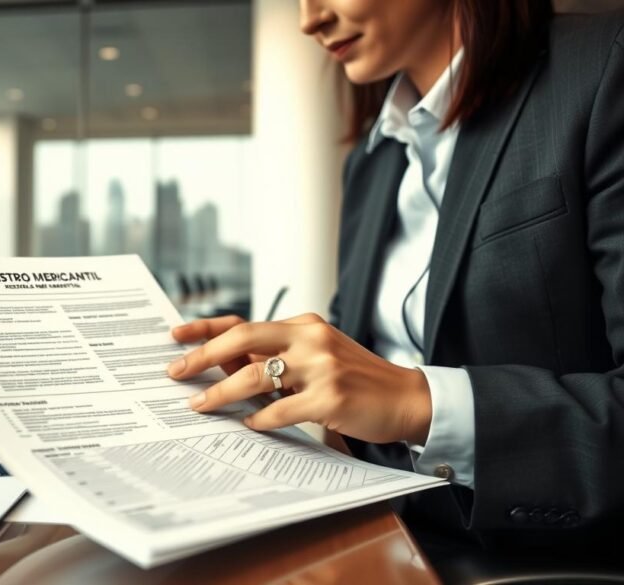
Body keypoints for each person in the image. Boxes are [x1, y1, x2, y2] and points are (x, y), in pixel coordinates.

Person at [167, 0, 624, 548]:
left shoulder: (603, 65)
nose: (308, 19)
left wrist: (416, 403)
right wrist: (284, 380)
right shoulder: (371, 160)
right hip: (379, 535)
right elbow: (356, 360)